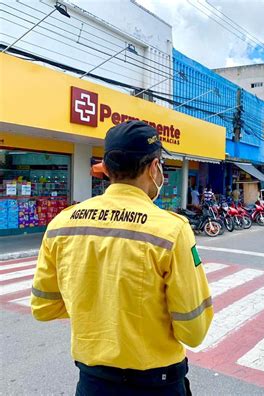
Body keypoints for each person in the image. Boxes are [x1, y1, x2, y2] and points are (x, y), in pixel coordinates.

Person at [31, 120, 213, 395]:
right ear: (154, 168)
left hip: (92, 383)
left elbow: (43, 307)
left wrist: (97, 304)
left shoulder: (62, 223)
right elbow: (193, 331)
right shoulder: (171, 230)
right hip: (156, 385)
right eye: (160, 165)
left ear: (107, 169)